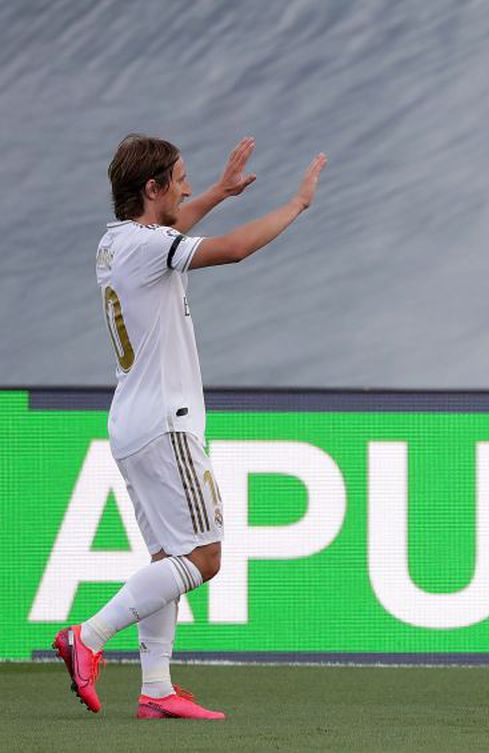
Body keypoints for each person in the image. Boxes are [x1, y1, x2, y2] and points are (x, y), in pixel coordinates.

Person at [53, 135, 325, 718]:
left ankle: (155, 689)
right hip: (166, 424)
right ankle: (90, 637)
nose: (187, 187)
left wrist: (221, 193)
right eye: (179, 179)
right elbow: (231, 251)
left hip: (134, 420)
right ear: (151, 189)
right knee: (204, 557)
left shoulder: (115, 242)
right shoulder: (151, 247)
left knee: (167, 560)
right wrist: (297, 205)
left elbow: (172, 230)